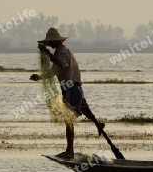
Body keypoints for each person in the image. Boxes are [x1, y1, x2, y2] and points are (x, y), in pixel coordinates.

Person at [30, 28, 105, 158]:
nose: (51, 45)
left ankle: (69, 150)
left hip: (72, 89)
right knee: (85, 110)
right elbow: (53, 72)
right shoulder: (59, 52)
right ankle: (99, 125)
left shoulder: (63, 51)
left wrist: (47, 53)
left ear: (56, 42)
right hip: (72, 88)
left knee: (68, 119)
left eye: (51, 42)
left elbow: (61, 64)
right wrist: (39, 77)